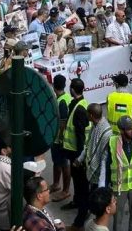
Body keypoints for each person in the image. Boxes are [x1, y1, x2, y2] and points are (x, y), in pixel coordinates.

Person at [102, 116, 132, 231]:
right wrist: (105, 187)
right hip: (119, 187)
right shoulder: (112, 142)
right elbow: (107, 166)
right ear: (121, 130)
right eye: (129, 129)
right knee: (118, 217)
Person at [64, 78, 90, 230]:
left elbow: (81, 136)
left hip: (77, 155)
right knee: (77, 181)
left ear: (73, 89)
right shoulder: (77, 104)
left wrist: (80, 159)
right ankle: (77, 202)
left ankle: (83, 211)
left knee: (82, 184)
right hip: (73, 152)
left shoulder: (79, 109)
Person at [51, 75, 72, 201]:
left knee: (64, 164)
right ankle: (56, 184)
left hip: (60, 139)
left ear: (53, 85)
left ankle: (65, 190)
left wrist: (59, 139)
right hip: (56, 138)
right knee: (56, 162)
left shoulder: (62, 101)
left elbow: (63, 123)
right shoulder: (64, 98)